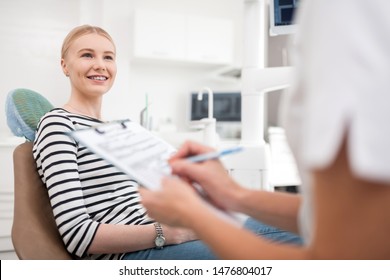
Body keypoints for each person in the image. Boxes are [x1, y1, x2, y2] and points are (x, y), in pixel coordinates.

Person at [140, 0, 390, 259]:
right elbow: (340, 217)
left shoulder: (344, 12)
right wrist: (233, 194)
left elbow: (345, 262)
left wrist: (194, 215)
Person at [33, 25, 300, 260]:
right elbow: (78, 235)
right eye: (87, 55)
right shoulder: (59, 124)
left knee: (301, 233)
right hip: (134, 253)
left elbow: (138, 198)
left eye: (108, 57)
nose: (100, 64)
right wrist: (169, 233)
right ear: (65, 65)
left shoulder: (117, 130)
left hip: (168, 229)